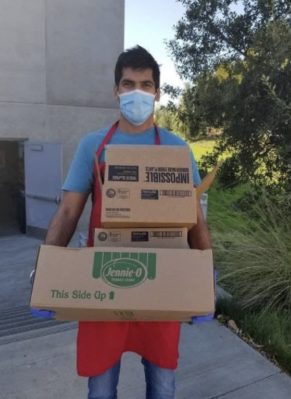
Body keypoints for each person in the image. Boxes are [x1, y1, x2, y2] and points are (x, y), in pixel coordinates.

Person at [38, 45, 211, 398]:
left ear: (157, 93)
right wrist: (46, 269)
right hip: (105, 277)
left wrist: (206, 273)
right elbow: (69, 211)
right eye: (128, 83)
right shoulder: (94, 147)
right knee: (101, 388)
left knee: (163, 385)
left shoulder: (177, 150)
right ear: (116, 90)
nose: (137, 92)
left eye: (146, 85)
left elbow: (194, 217)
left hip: (164, 280)